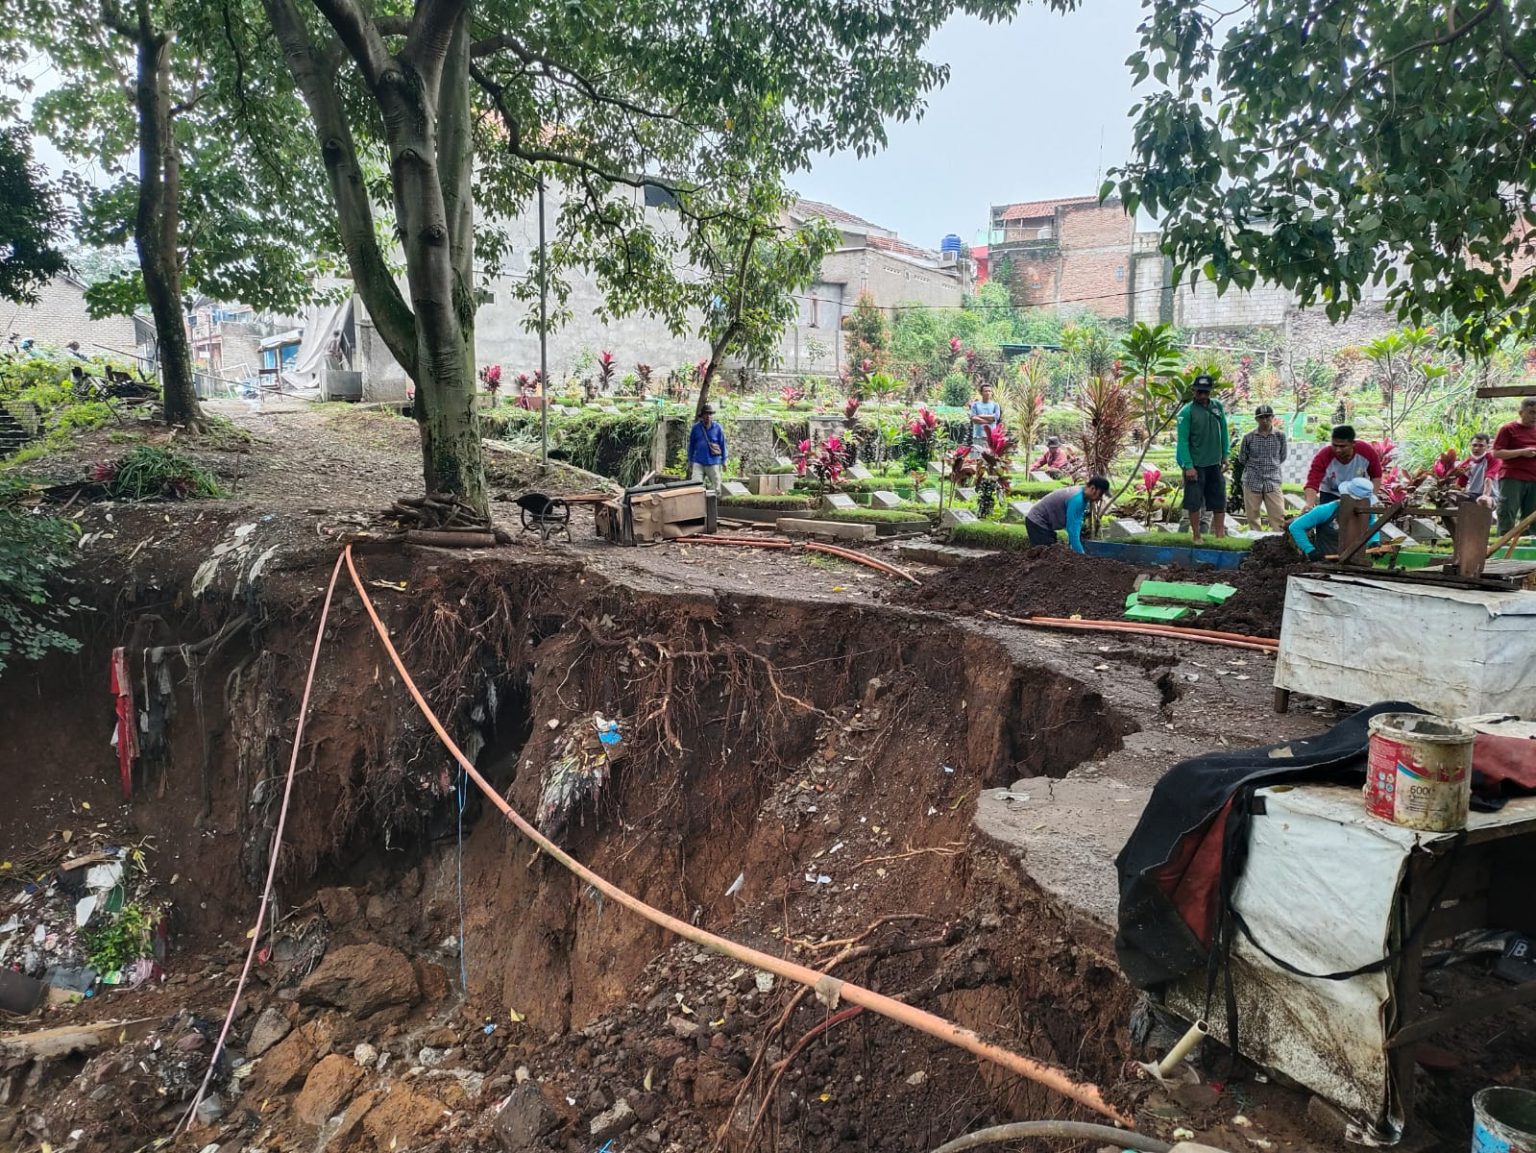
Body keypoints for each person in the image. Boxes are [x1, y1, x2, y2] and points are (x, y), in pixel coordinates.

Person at [1302, 424, 1384, 559]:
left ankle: (1355, 557)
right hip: (1330, 494)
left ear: (1353, 444)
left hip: (1357, 494)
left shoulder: (1366, 452)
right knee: (1327, 528)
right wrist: (1309, 504)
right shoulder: (1324, 455)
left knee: (1359, 524)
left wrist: (1372, 497)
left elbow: (1376, 475)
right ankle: (1326, 557)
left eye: (1342, 446)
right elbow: (1312, 482)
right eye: (1335, 445)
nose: (1338, 450)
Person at [1175, 374, 1230, 544]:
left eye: (1206, 392)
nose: (1202, 395)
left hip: (1214, 463)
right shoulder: (1187, 412)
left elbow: (1224, 430)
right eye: (1199, 392)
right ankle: (1196, 536)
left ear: (1210, 391)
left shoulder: (1217, 407)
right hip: (1196, 465)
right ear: (1193, 391)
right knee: (1194, 501)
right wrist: (1188, 466)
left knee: (1219, 500)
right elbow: (1183, 441)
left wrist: (1225, 454)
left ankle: (1220, 535)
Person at [1289, 477, 1377, 558]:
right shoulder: (1325, 510)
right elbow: (1296, 527)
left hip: (1356, 560)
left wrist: (1374, 541)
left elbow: (1372, 526)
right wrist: (1310, 550)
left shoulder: (1367, 513)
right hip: (1326, 561)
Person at [1024, 475, 1110, 553]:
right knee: (1047, 554)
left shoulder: (1081, 496)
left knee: (1051, 553)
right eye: (1100, 494)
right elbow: (1072, 528)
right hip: (1037, 522)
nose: (1100, 498)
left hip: (1044, 524)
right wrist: (1080, 553)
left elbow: (1077, 522)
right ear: (1093, 488)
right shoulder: (1077, 499)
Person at [1238, 403, 1288, 532]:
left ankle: (1279, 539)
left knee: (1278, 514)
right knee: (1252, 516)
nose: (1265, 420)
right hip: (1252, 479)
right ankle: (1256, 538)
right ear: (1256, 419)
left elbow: (1282, 456)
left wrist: (1271, 465)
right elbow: (1242, 458)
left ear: (1272, 417)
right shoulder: (1248, 437)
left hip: (1272, 480)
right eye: (1261, 417)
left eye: (1267, 416)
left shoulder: (1280, 436)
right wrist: (1255, 467)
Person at [1492, 398, 1536, 537]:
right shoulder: (1508, 429)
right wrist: (1522, 452)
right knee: (1507, 512)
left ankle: (1529, 544)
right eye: (1531, 412)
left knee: (1532, 517)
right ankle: (1503, 543)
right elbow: (1496, 453)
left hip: (1534, 478)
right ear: (1521, 412)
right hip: (1512, 477)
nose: (1534, 416)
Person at [688, 404, 727, 494]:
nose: (708, 416)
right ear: (702, 416)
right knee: (695, 486)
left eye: (710, 414)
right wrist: (690, 460)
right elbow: (691, 445)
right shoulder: (695, 428)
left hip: (713, 462)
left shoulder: (718, 428)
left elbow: (723, 444)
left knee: (717, 487)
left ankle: (715, 501)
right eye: (706, 414)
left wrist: (724, 460)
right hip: (698, 461)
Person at [967, 383, 1002, 448]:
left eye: (989, 391)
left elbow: (996, 417)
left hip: (991, 436)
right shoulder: (975, 405)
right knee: (977, 454)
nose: (988, 393)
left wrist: (979, 416)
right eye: (985, 391)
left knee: (990, 454)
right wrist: (989, 422)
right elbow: (974, 419)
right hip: (978, 436)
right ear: (981, 393)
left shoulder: (995, 405)